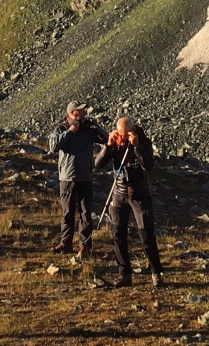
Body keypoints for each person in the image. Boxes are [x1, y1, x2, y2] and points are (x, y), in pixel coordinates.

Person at [93, 115, 163, 288]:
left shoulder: (143, 141)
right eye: (120, 133)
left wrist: (137, 147)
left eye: (125, 134)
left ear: (132, 131)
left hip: (139, 193)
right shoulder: (115, 141)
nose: (122, 137)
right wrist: (108, 146)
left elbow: (148, 166)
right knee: (118, 234)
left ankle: (156, 272)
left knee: (146, 234)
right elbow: (98, 164)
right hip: (119, 192)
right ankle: (124, 274)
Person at [46, 102, 106, 255]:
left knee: (86, 213)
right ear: (73, 113)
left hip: (85, 176)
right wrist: (70, 131)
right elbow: (53, 146)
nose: (85, 112)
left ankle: (85, 245)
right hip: (68, 178)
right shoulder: (61, 128)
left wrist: (96, 126)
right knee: (68, 213)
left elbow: (107, 139)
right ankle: (65, 244)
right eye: (82, 110)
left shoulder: (88, 130)